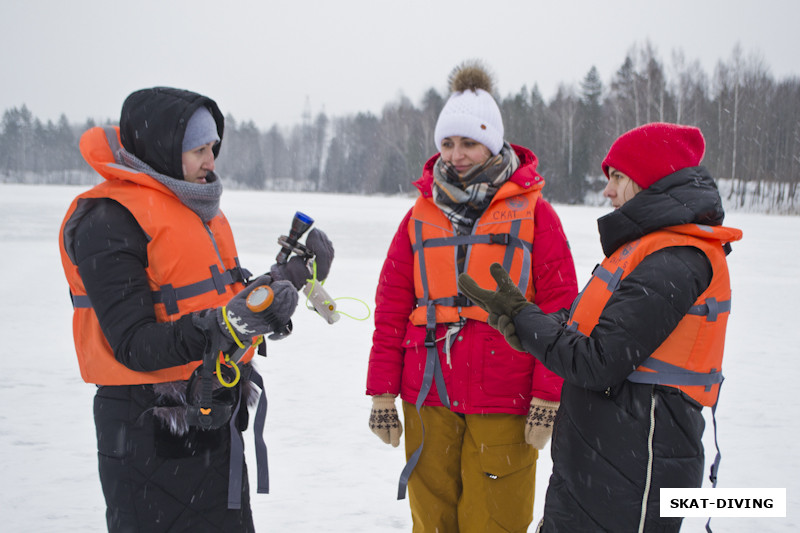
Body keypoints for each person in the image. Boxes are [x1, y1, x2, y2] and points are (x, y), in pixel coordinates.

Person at [58, 87, 333, 532]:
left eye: (213, 148)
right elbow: (133, 343)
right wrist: (223, 326)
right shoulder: (107, 220)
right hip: (145, 427)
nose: (211, 162)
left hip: (212, 415)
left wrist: (287, 279)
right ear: (162, 150)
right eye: (198, 150)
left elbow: (218, 304)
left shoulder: (193, 207)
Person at [458, 122, 743, 532]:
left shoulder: (677, 258)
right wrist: (524, 321)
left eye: (618, 177)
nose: (607, 190)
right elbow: (580, 326)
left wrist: (524, 317)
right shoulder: (644, 249)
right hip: (601, 459)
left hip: (636, 463)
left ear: (652, 180)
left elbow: (600, 361)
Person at [366, 61, 578, 532]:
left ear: (494, 143)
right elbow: (392, 310)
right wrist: (382, 390)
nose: (456, 155)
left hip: (506, 396)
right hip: (428, 395)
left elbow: (563, 309)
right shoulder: (418, 217)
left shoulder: (536, 215)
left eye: (468, 142)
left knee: (497, 521)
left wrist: (549, 394)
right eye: (447, 143)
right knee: (432, 520)